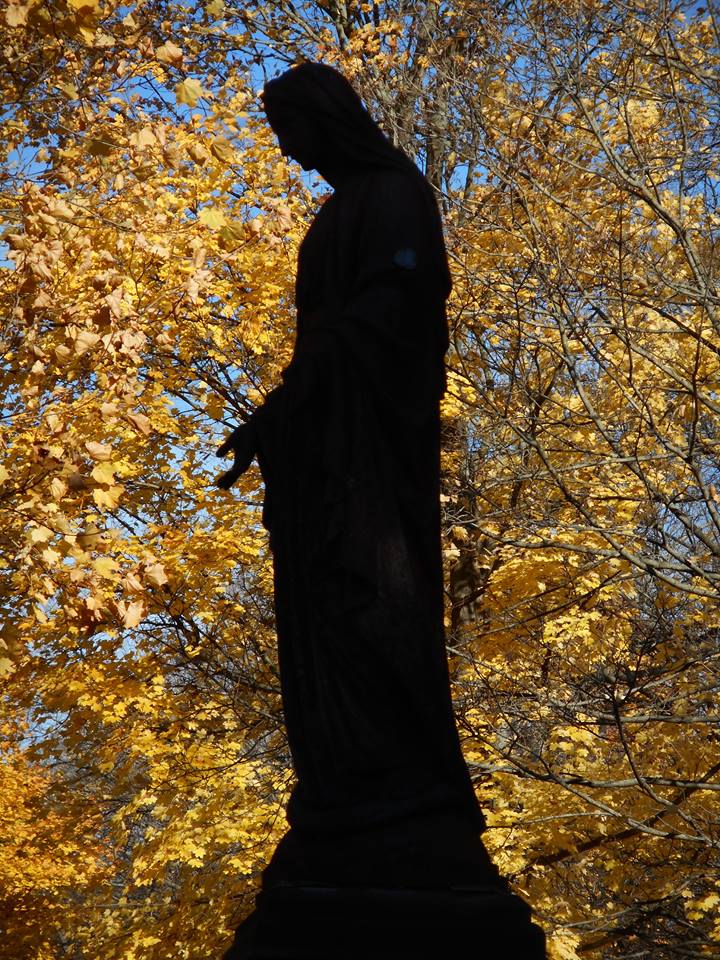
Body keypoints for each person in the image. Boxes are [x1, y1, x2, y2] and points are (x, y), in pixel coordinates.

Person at [217, 61, 493, 887]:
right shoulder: (339, 212)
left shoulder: (395, 195)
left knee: (377, 602)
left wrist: (307, 394)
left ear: (328, 120)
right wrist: (277, 415)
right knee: (326, 620)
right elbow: (321, 346)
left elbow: (396, 315)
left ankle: (402, 788)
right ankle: (345, 784)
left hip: (370, 453)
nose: (287, 149)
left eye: (290, 129)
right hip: (321, 449)